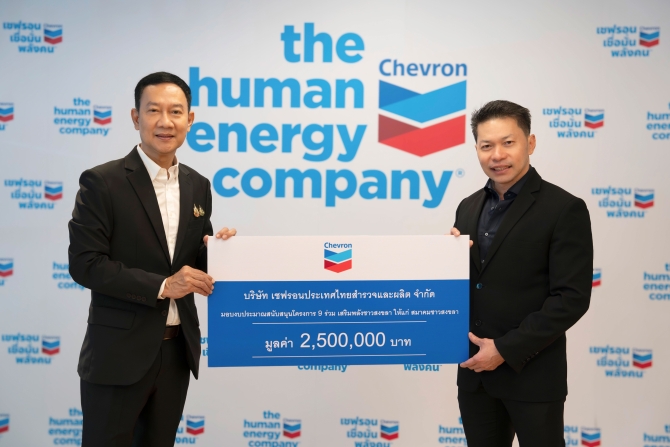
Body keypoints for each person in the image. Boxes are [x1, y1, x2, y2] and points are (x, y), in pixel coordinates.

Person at [68, 71, 236, 447]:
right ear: (135, 117)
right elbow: (85, 263)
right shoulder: (102, 182)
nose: (165, 122)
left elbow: (193, 260)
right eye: (153, 110)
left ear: (190, 120)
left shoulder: (198, 185)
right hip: (118, 356)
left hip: (176, 353)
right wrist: (162, 286)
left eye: (175, 112)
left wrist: (220, 251)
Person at [450, 100, 593, 447]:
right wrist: (446, 260)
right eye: (486, 145)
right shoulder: (467, 207)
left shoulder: (564, 208)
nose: (497, 155)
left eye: (508, 142)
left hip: (532, 377)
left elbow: (571, 299)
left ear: (530, 143)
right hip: (475, 379)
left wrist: (503, 349)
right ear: (476, 149)